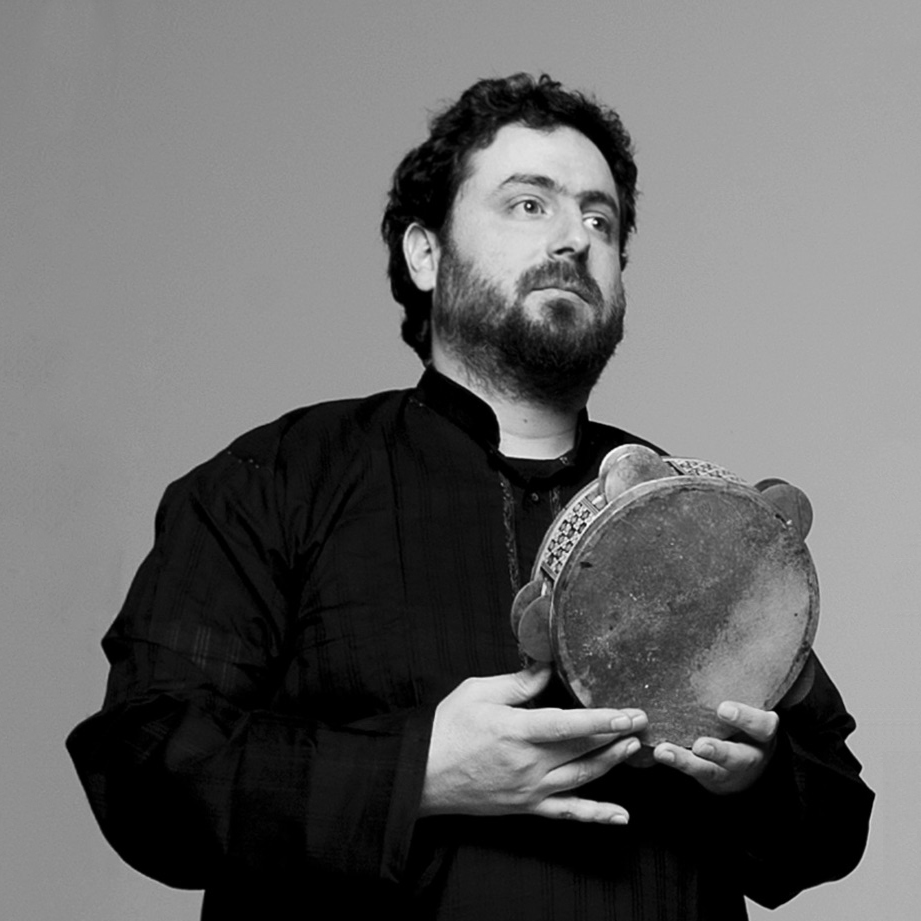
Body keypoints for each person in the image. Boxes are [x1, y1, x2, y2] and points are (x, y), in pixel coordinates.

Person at [67, 73, 873, 920]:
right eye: (529, 204)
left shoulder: (691, 517)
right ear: (425, 253)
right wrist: (418, 770)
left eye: (599, 221)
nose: (573, 239)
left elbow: (835, 820)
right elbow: (143, 768)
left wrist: (754, 774)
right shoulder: (276, 478)